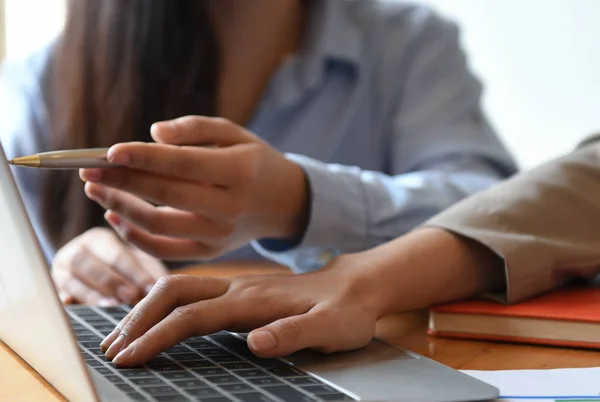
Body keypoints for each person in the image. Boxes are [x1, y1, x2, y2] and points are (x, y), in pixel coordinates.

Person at [0, 0, 516, 306]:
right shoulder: (42, 82)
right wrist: (64, 272)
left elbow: (503, 217)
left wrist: (299, 203)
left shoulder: (408, 44)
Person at [98, 135, 600, 367]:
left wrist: (352, 264)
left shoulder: (404, 36)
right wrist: (77, 253)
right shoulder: (50, 73)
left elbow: (506, 186)